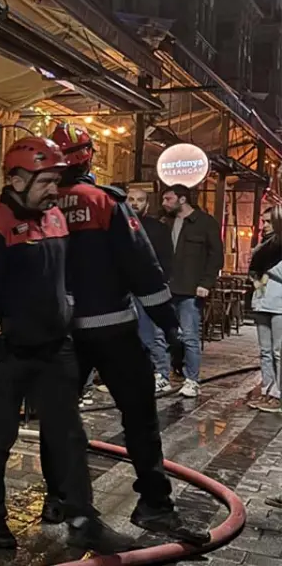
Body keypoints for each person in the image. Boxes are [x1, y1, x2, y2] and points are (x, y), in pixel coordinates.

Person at [45, 123, 207, 544]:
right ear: (89, 158)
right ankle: (154, 505)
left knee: (59, 418)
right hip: (113, 330)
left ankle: (58, 498)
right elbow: (144, 270)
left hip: (62, 336)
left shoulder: (42, 206)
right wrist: (170, 326)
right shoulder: (106, 203)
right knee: (139, 418)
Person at [0, 136, 130, 554]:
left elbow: (64, 280)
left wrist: (67, 322)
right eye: (45, 181)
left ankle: (81, 517)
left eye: (57, 180)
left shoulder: (56, 217)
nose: (53, 190)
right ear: (17, 179)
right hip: (8, 355)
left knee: (68, 436)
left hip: (55, 350)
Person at [160, 184, 224, 397]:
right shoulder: (167, 222)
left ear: (182, 199)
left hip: (190, 289)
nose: (164, 203)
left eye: (168, 199)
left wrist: (206, 283)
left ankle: (192, 380)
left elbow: (216, 257)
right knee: (165, 334)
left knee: (190, 336)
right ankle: (164, 374)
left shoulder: (205, 223)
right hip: (167, 287)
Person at [127, 186, 176, 394]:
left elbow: (166, 259)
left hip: (148, 288)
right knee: (128, 334)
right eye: (131, 199)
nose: (135, 203)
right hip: (123, 288)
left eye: (139, 200)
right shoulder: (116, 225)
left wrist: (159, 284)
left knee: (153, 333)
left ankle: (162, 375)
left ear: (147, 204)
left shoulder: (157, 228)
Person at [248, 206, 282, 413]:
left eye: (268, 221)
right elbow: (254, 271)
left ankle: (278, 394)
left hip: (279, 304)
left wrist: (264, 269)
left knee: (279, 351)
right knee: (265, 351)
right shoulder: (264, 246)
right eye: (263, 222)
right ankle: (268, 390)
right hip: (262, 300)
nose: (264, 226)